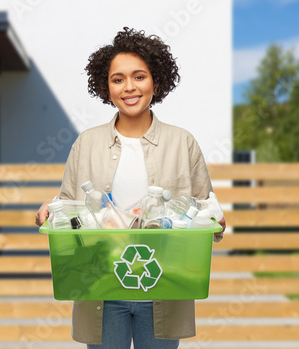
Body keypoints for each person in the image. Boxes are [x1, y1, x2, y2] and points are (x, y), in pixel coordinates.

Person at [35, 27, 226, 349]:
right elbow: (67, 206)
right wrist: (45, 213)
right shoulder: (87, 143)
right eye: (118, 79)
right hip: (101, 284)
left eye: (139, 76)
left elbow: (207, 211)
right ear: (105, 86)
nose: (129, 87)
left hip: (164, 281)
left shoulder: (182, 142)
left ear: (156, 81)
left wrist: (217, 223)